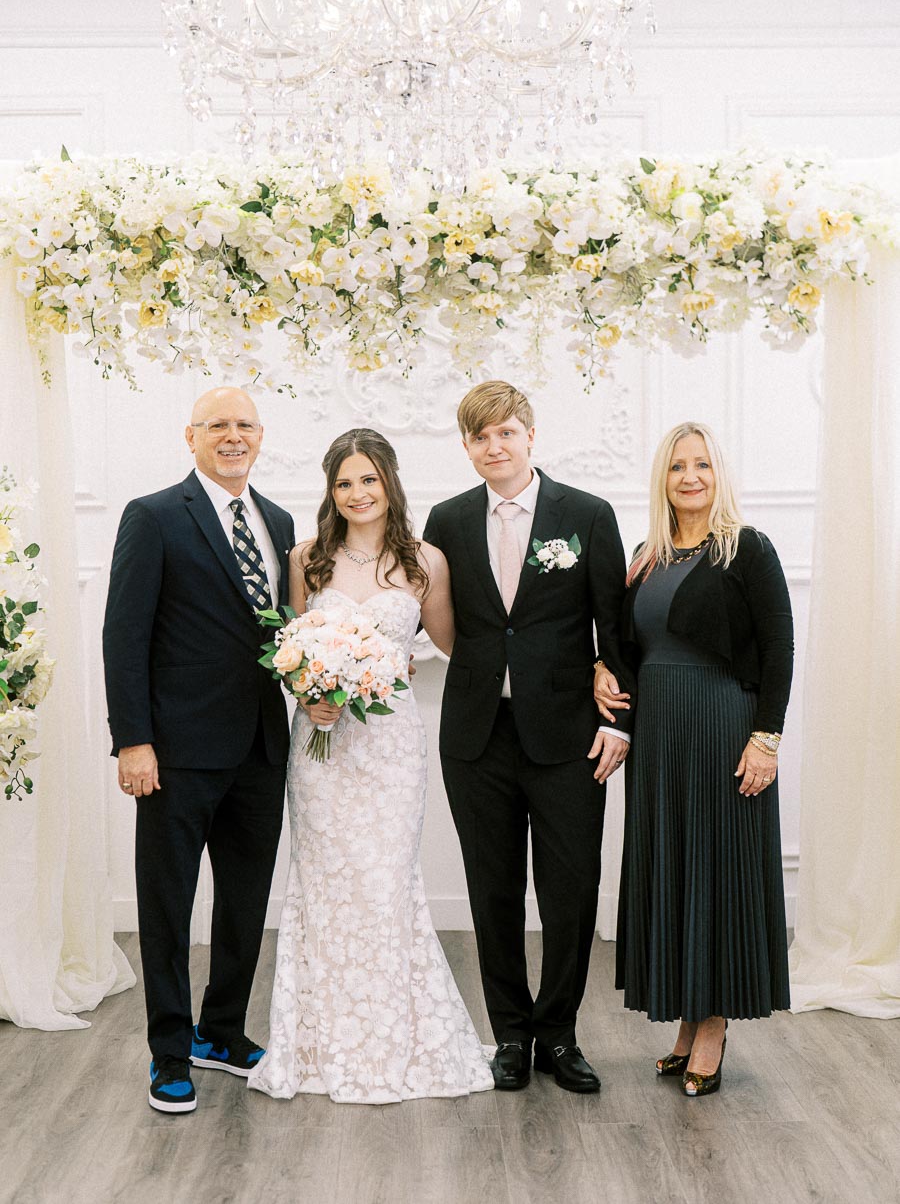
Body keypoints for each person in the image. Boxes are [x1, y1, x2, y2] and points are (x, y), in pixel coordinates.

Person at [248, 428, 493, 1104]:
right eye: (345, 482)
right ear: (332, 491)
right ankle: (319, 1043)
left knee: (385, 884)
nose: (358, 494)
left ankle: (394, 1038)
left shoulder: (424, 562)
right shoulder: (307, 560)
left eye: (369, 480)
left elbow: (455, 644)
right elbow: (289, 647)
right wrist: (310, 691)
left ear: (389, 483)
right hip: (322, 748)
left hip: (389, 749)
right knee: (323, 886)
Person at [422, 380, 635, 1094]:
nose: (495, 446)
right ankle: (510, 1034)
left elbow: (617, 629)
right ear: (467, 446)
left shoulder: (588, 515)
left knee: (571, 890)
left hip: (570, 736)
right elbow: (438, 618)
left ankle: (560, 1033)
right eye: (480, 436)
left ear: (530, 435)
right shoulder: (447, 520)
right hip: (477, 736)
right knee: (494, 890)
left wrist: (619, 723)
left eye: (506, 432)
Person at [103, 387, 295, 1114]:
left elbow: (275, 633)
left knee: (244, 903)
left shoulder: (276, 521)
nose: (233, 436)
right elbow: (123, 636)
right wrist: (133, 740)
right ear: (191, 437)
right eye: (218, 425)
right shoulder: (153, 516)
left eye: (245, 424)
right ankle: (169, 1051)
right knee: (167, 905)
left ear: (261, 435)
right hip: (175, 751)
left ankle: (222, 1032)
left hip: (260, 748)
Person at [599, 421, 793, 1097]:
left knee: (715, 866)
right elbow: (623, 640)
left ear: (719, 475)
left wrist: (765, 739)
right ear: (663, 476)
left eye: (702, 465)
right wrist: (602, 664)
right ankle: (685, 1019)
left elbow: (780, 648)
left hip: (721, 726)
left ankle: (712, 1023)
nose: (690, 476)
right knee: (673, 867)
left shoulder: (748, 550)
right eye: (678, 465)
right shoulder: (646, 555)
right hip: (658, 735)